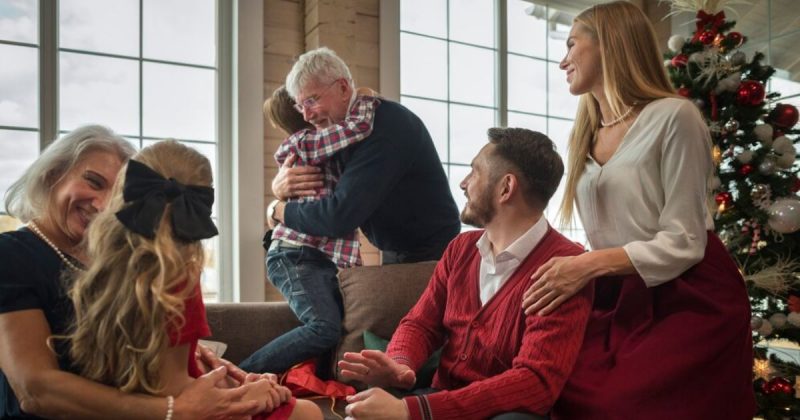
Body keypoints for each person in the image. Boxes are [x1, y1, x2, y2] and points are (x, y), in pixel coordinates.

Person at [520, 2, 755, 418]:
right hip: (615, 291)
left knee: (620, 405)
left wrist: (588, 266)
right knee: (561, 393)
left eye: (572, 44)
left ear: (609, 44)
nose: (563, 61)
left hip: (688, 293)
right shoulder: (585, 135)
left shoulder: (674, 117)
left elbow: (685, 239)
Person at [0, 126, 272, 419]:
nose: (103, 204)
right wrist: (174, 410)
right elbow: (34, 389)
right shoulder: (11, 254)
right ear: (53, 174)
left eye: (117, 192)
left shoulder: (119, 260)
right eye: (93, 182)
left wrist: (208, 368)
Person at [337, 128, 594, 420]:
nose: (463, 183)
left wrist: (414, 410)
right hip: (440, 401)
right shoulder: (461, 248)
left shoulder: (566, 268)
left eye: (475, 173)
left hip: (500, 413)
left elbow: (535, 382)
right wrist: (400, 365)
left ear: (505, 188)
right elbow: (421, 324)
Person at [66, 140, 322, 420]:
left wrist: (232, 381)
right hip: (177, 411)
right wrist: (246, 396)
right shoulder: (177, 279)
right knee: (308, 413)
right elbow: (174, 392)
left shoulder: (99, 267)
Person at [269, 47, 461, 264]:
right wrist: (279, 187)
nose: (307, 115)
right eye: (300, 105)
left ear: (343, 88)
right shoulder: (340, 133)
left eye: (312, 101)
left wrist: (277, 210)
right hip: (398, 248)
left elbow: (339, 215)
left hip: (434, 253)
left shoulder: (387, 125)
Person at [240, 85, 380, 375]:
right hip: (297, 256)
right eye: (309, 103)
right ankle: (241, 375)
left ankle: (307, 381)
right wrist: (365, 97)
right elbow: (359, 126)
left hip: (316, 258)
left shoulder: (325, 152)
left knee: (335, 328)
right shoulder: (306, 143)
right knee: (325, 329)